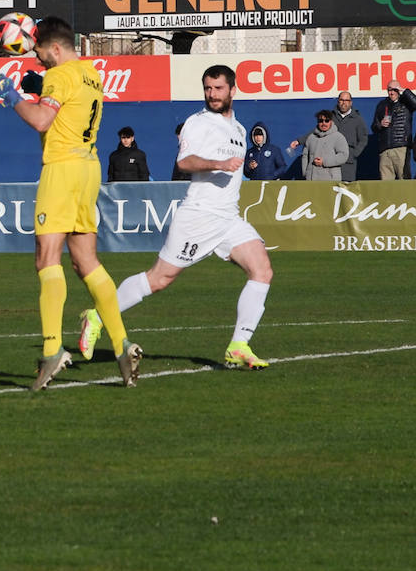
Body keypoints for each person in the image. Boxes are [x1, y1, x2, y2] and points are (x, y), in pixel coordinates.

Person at [79, 64, 274, 372]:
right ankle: (98, 315)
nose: (212, 94)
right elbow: (185, 161)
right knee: (158, 280)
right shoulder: (198, 123)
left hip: (227, 218)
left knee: (262, 270)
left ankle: (238, 346)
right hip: (198, 216)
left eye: (218, 88)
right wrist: (218, 163)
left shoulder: (239, 129)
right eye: (208, 89)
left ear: (233, 90)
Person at [0, 15, 141, 390]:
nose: (38, 60)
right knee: (86, 261)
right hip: (89, 168)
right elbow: (71, 107)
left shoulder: (58, 76)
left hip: (62, 167)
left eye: (39, 53)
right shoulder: (91, 74)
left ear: (55, 48)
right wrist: (40, 85)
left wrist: (12, 97)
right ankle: (123, 346)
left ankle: (53, 349)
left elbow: (42, 120)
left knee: (46, 257)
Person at [372, 79, 416, 180]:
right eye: (389, 90)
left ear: (399, 90)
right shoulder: (382, 105)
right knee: (386, 182)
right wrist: (380, 124)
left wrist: (404, 91)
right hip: (385, 149)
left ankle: (406, 197)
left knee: (404, 179)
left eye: (395, 89)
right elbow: (374, 127)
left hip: (401, 147)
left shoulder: (406, 102)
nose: (392, 92)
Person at [300, 109, 350, 181]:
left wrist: (324, 162)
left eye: (326, 121)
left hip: (330, 181)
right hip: (311, 180)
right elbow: (305, 156)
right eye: (321, 121)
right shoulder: (311, 137)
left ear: (331, 122)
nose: (324, 123)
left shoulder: (338, 137)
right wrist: (305, 173)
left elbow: (343, 155)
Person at [332, 91, 370, 181]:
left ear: (351, 102)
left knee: (347, 187)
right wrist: (299, 141)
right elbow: (318, 131)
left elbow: (363, 139)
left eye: (346, 100)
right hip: (332, 159)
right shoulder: (330, 117)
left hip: (348, 161)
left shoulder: (357, 119)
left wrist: (354, 154)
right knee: (331, 187)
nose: (344, 103)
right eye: (341, 100)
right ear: (338, 101)